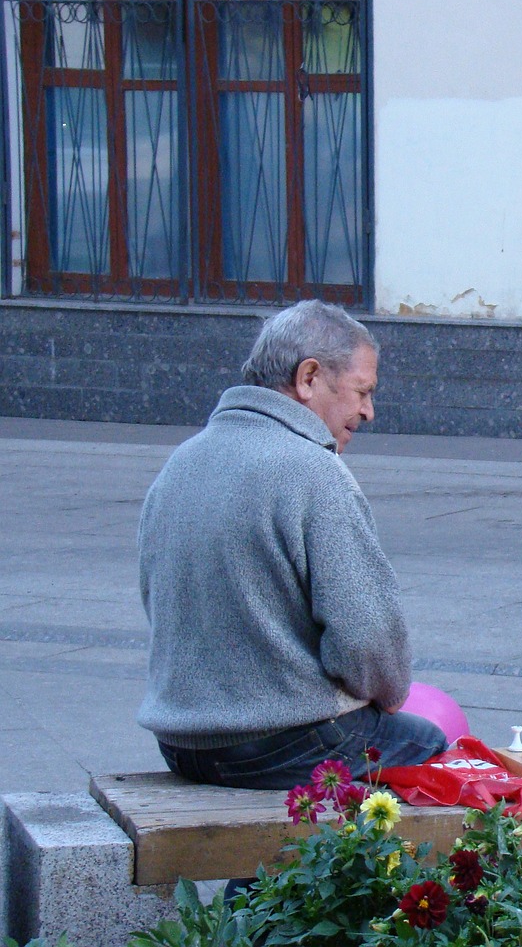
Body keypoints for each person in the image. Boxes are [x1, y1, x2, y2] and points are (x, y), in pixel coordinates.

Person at [137, 299, 448, 790]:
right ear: (309, 379)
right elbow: (367, 640)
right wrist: (387, 693)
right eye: (362, 392)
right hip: (277, 742)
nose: (369, 411)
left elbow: (157, 600)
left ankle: (262, 871)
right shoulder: (314, 472)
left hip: (180, 742)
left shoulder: (181, 462)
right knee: (427, 745)